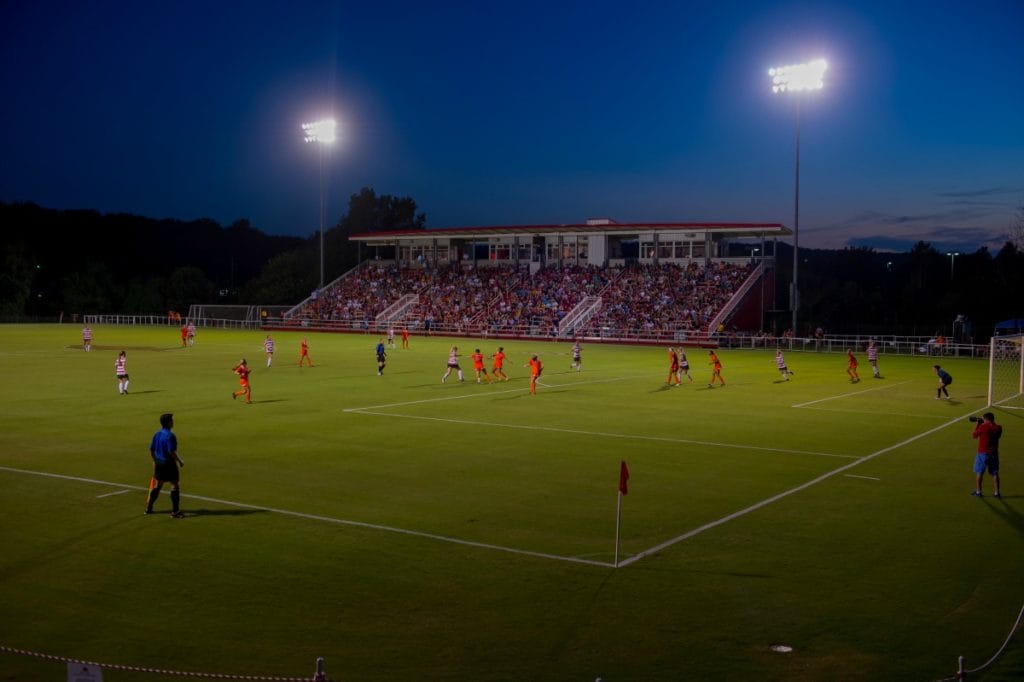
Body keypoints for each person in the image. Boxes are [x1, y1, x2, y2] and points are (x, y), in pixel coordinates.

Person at [146, 413, 185, 518]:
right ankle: (175, 511)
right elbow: (171, 451)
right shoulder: (170, 435)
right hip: (168, 463)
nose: (173, 422)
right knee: (174, 485)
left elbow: (151, 449)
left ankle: (149, 507)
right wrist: (180, 461)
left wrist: (155, 460)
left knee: (157, 486)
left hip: (159, 463)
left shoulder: (157, 434)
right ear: (168, 422)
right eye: (172, 420)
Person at [971, 412, 1002, 498]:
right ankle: (997, 493)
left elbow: (974, 435)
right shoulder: (998, 428)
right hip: (994, 453)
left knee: (979, 472)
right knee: (995, 473)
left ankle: (978, 492)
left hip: (982, 453)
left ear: (986, 419)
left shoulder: (983, 427)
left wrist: (978, 424)